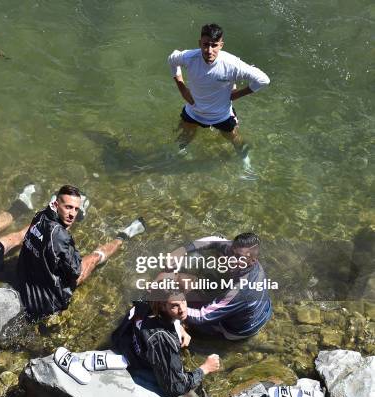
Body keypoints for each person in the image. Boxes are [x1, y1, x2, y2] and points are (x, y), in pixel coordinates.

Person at [16, 184, 146, 320]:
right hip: (46, 302)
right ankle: (123, 237)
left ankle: (72, 211)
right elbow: (75, 271)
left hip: (24, 280)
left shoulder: (39, 216)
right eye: (68, 207)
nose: (72, 214)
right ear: (56, 204)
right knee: (93, 259)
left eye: (76, 209)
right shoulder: (61, 238)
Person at [167, 23, 270, 175]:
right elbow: (171, 60)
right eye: (205, 44)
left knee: (235, 139)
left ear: (221, 45)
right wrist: (182, 88)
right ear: (199, 43)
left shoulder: (232, 64)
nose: (209, 50)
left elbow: (263, 80)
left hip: (221, 115)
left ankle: (246, 162)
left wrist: (236, 95)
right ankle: (178, 156)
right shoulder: (189, 57)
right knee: (183, 137)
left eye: (214, 45)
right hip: (194, 112)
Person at [111, 289, 221, 397]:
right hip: (137, 360)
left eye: (183, 301)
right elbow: (176, 388)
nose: (183, 309)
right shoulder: (162, 339)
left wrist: (180, 328)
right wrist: (205, 368)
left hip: (125, 339)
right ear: (162, 306)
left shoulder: (148, 299)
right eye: (175, 306)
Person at [167, 232, 272, 340]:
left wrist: (172, 308)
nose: (230, 259)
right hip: (263, 309)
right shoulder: (239, 251)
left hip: (241, 329)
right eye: (231, 252)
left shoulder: (240, 291)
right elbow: (215, 239)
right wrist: (182, 250)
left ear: (253, 260)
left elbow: (202, 316)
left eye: (238, 258)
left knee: (183, 304)